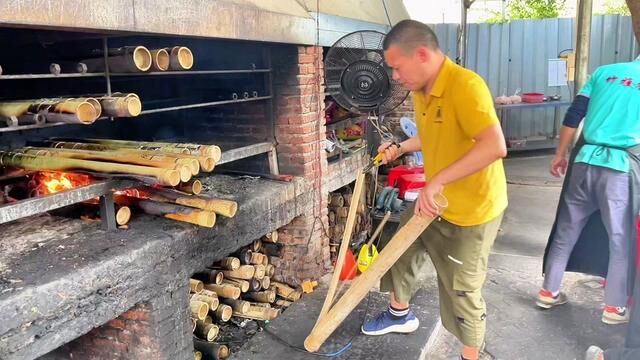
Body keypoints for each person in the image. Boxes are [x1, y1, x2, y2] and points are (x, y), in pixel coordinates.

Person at [360, 20, 508, 360]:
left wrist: (438, 180)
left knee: (462, 289)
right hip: (435, 200)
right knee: (401, 249)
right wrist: (399, 147)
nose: (395, 76)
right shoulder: (422, 89)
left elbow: (495, 145)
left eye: (397, 67)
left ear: (422, 54)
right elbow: (433, 132)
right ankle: (400, 315)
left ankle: (469, 355)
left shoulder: (466, 86)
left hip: (471, 210)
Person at [538, 58, 640, 328]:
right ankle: (613, 307)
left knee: (566, 230)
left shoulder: (604, 73)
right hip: (620, 168)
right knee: (620, 238)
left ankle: (548, 291)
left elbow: (574, 115)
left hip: (584, 161)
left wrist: (560, 154)